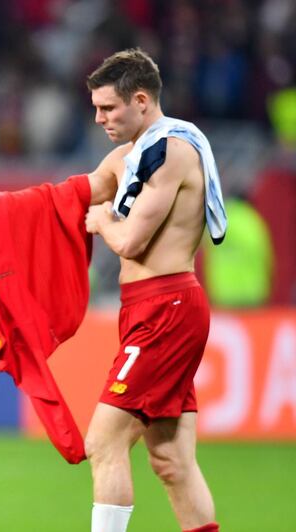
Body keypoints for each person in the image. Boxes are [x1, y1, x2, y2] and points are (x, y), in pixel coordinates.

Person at [83, 48, 224, 532]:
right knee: (170, 461)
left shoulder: (171, 151)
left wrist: (102, 220)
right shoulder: (132, 154)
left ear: (140, 100)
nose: (99, 118)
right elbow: (81, 189)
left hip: (166, 307)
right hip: (153, 307)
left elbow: (130, 239)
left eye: (108, 108)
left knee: (103, 441)